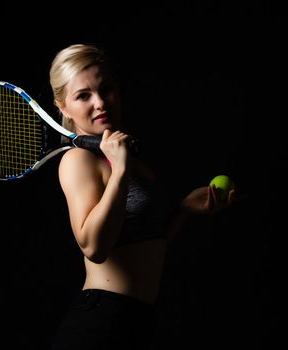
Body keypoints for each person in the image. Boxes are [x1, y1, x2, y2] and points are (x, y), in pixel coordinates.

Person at [49, 44, 236, 349]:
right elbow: (94, 247)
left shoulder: (129, 158)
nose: (100, 103)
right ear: (63, 106)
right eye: (83, 95)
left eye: (106, 88)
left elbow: (144, 244)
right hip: (100, 324)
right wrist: (119, 171)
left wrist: (184, 210)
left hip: (137, 322)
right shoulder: (78, 160)